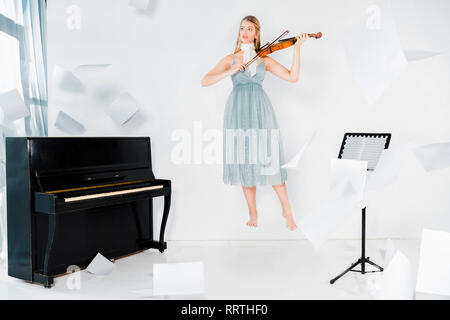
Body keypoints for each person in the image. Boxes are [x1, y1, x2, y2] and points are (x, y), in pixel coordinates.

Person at [201, 15, 307, 231]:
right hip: (238, 111)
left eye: (250, 28)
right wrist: (230, 70)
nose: (245, 32)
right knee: (244, 159)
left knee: (271, 158)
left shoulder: (264, 59)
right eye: (242, 28)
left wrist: (297, 48)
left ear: (257, 33)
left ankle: (287, 210)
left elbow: (292, 77)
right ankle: (253, 211)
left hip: (260, 110)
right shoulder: (230, 58)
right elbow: (205, 80)